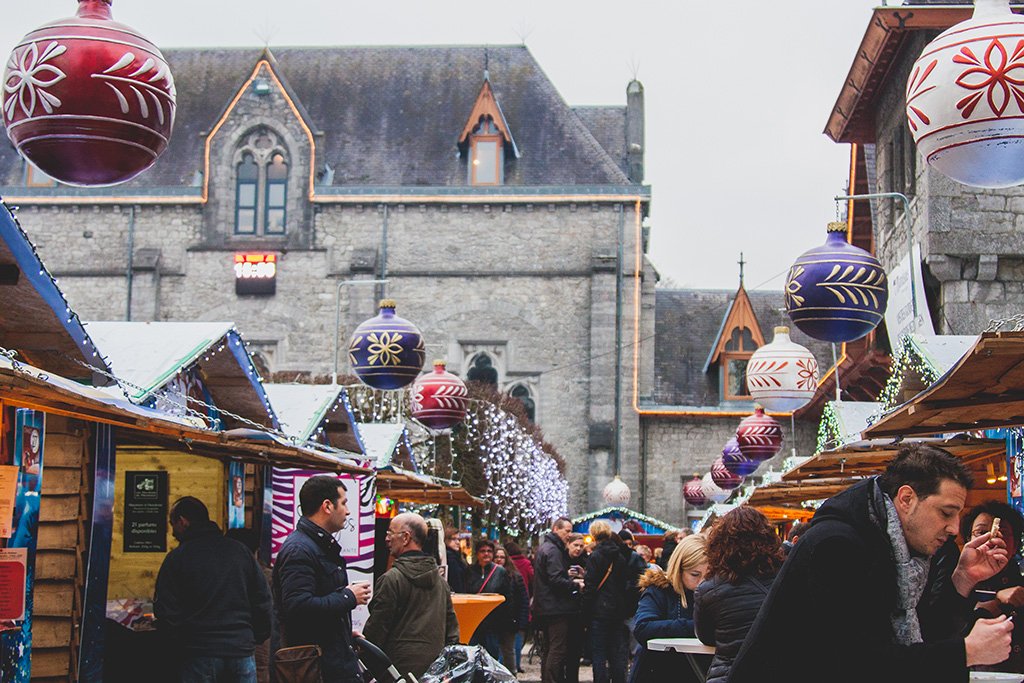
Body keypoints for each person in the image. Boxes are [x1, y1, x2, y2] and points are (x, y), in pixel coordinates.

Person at [728, 445, 1015, 683]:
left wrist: (962, 579)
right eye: (946, 513)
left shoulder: (893, 545)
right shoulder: (838, 546)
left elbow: (916, 635)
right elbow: (859, 664)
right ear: (906, 499)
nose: (954, 528)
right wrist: (965, 652)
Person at [154, 497, 271, 683]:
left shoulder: (177, 558)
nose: (172, 531)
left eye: (172, 524)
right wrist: (254, 636)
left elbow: (166, 611)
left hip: (199, 652)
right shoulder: (240, 552)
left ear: (182, 521)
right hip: (240, 649)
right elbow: (263, 600)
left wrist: (180, 644)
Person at [273, 476, 372, 683]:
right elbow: (298, 606)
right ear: (327, 506)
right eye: (344, 503)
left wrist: (344, 633)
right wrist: (348, 596)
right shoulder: (299, 550)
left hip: (331, 663)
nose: (348, 511)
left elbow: (319, 605)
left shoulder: (317, 547)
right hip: (318, 670)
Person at [364, 512, 459, 678]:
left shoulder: (391, 579)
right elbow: (452, 632)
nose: (387, 539)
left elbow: (377, 628)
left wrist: (366, 665)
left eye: (390, 533)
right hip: (433, 672)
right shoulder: (441, 583)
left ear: (406, 537)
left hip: (395, 671)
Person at [693, 507, 783, 683]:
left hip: (729, 675)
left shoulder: (708, 589)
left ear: (719, 544)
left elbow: (706, 637)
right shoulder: (785, 577)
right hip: (777, 671)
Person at [630, 534, 708, 683]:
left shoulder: (715, 593)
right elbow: (643, 628)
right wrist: (697, 627)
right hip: (657, 671)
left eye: (709, 575)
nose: (702, 582)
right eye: (695, 575)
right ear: (679, 569)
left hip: (698, 672)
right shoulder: (659, 589)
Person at [962, 501, 1024, 673]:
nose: (993, 540)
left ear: (1016, 545)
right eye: (981, 532)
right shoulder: (956, 583)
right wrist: (996, 602)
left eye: (1003, 533)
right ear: (969, 540)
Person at [534, 517, 582, 683]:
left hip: (547, 607)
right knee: (557, 649)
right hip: (556, 608)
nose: (569, 534)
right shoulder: (554, 550)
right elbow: (555, 580)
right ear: (556, 529)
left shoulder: (546, 548)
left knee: (549, 649)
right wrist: (575, 585)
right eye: (567, 531)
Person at [582, 521, 631, 683]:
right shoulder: (620, 555)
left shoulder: (595, 556)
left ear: (594, 535)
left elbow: (590, 586)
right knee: (616, 652)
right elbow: (625, 582)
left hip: (599, 610)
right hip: (617, 609)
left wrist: (585, 610)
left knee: (599, 653)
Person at [465, 538, 513, 660]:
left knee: (491, 658)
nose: (486, 554)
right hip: (473, 623)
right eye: (482, 551)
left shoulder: (500, 572)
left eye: (489, 551)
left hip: (492, 624)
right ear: (477, 554)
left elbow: (507, 597)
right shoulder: (469, 571)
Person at [496, 546, 530, 675]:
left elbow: (523, 599)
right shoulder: (488, 575)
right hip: (493, 620)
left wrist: (522, 620)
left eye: (502, 557)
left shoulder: (515, 576)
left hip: (510, 619)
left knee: (509, 650)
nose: (499, 560)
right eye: (497, 557)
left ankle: (511, 674)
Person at [564, 532, 588, 683]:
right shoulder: (561, 560)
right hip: (563, 609)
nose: (578, 549)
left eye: (581, 546)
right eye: (575, 545)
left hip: (578, 611)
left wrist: (584, 575)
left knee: (574, 651)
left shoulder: (585, 562)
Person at [445, 526, 467, 593]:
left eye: (458, 539)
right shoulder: (450, 557)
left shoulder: (457, 556)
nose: (457, 542)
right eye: (454, 539)